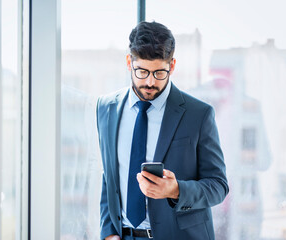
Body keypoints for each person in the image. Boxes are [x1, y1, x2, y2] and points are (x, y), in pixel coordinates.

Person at [96, 21, 229, 240]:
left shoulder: (199, 114)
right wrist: (108, 231)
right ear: (129, 62)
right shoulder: (106, 108)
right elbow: (110, 175)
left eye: (159, 73)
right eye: (142, 71)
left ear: (172, 66)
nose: (150, 82)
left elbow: (218, 186)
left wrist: (176, 190)